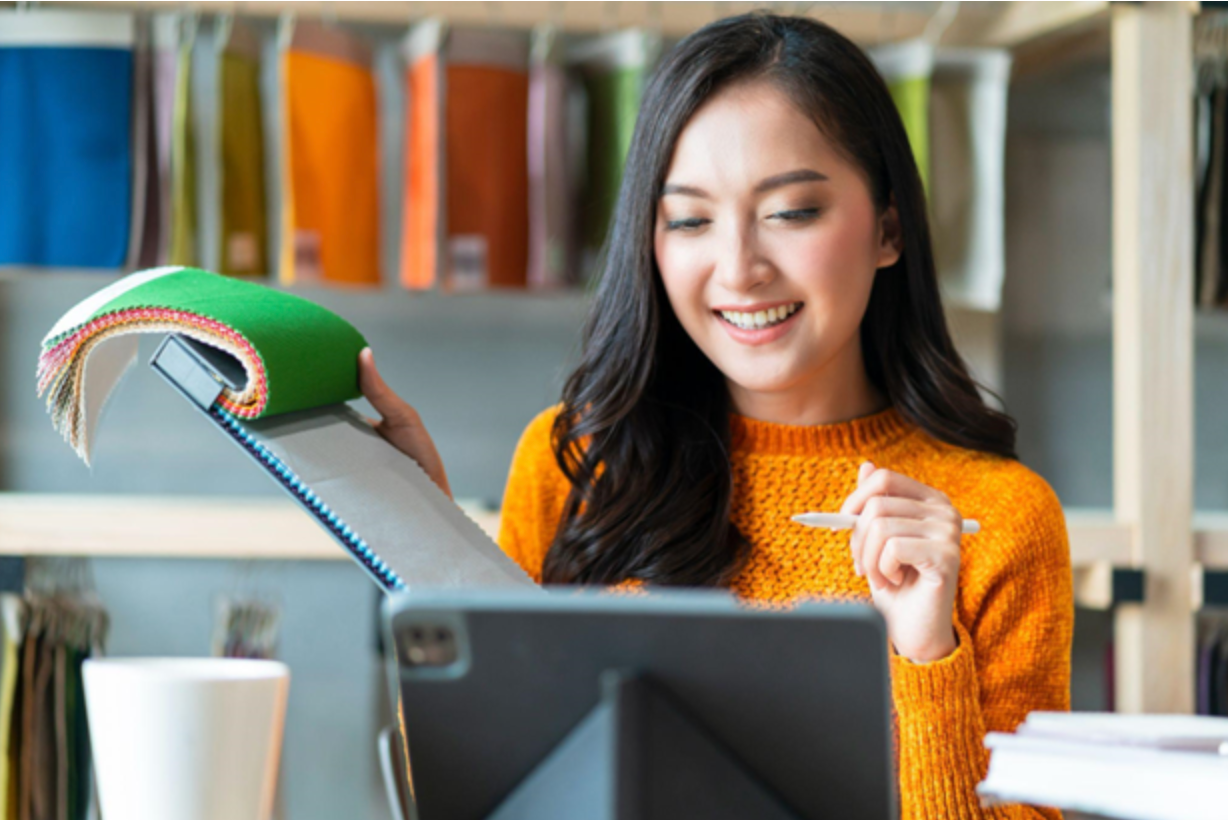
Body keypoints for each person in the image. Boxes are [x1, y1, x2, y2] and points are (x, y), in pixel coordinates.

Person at [358, 12, 1072, 820]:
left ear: (888, 227)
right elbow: (466, 793)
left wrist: (925, 654)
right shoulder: (578, 461)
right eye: (691, 219)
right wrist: (433, 560)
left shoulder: (998, 522)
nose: (738, 268)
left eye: (791, 212)